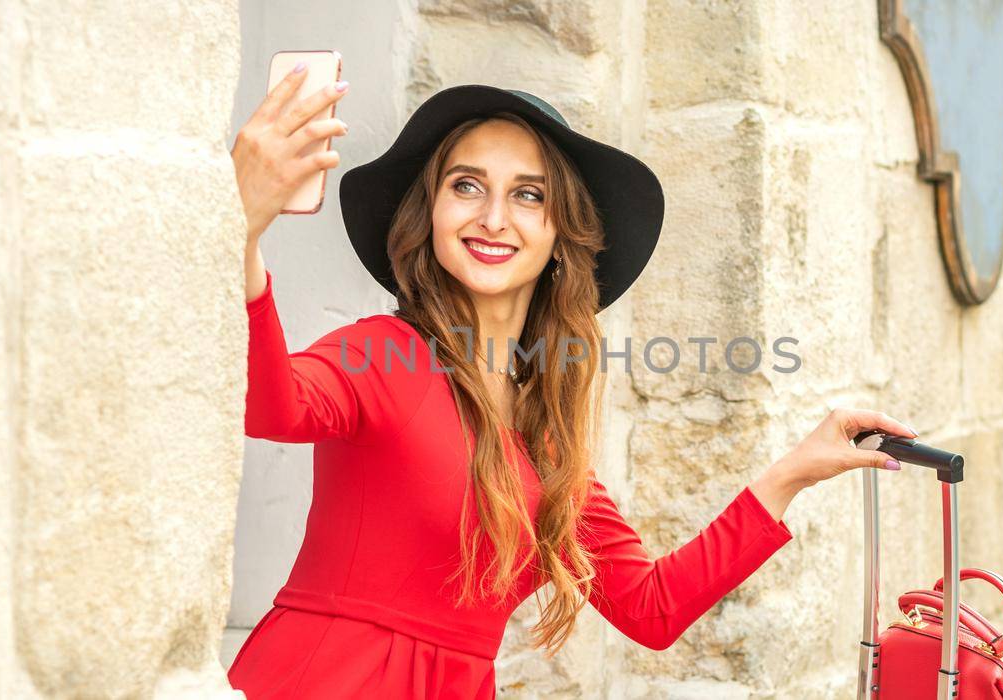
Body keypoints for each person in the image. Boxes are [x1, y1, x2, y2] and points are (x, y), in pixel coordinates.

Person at [225, 66, 916, 698]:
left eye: (528, 195)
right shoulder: (383, 354)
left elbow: (651, 608)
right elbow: (271, 405)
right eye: (467, 185)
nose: (494, 217)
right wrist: (243, 228)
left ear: (561, 235)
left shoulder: (545, 441)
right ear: (428, 213)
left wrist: (792, 472)